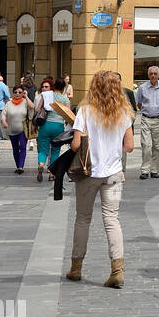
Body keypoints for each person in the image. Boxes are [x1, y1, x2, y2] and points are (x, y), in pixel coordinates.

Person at [66, 70, 134, 288]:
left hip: (89, 173)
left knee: (83, 219)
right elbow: (129, 147)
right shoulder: (124, 113)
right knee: (112, 220)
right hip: (113, 174)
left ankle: (76, 268)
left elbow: (76, 145)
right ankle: (118, 270)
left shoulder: (84, 111)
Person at [134, 66, 159, 180]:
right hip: (146, 119)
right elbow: (139, 104)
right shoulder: (142, 88)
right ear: (148, 75)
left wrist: (158, 111)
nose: (153, 76)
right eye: (151, 74)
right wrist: (148, 111)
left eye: (155, 73)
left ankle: (154, 170)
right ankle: (145, 170)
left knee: (158, 146)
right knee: (146, 145)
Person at [34, 78, 71, 182]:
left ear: (53, 86)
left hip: (45, 125)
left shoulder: (46, 95)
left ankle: (41, 164)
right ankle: (51, 174)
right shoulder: (65, 99)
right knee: (55, 151)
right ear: (64, 87)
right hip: (58, 126)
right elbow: (68, 115)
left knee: (43, 149)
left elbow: (37, 110)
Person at [1, 85, 32, 173]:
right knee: (15, 148)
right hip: (12, 129)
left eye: (20, 92)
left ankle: (21, 166)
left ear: (23, 93)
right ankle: (18, 165)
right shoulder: (9, 103)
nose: (17, 94)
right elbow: (3, 114)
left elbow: (32, 107)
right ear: (13, 93)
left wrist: (26, 96)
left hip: (23, 129)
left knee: (22, 147)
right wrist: (4, 122)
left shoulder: (25, 102)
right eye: (15, 92)